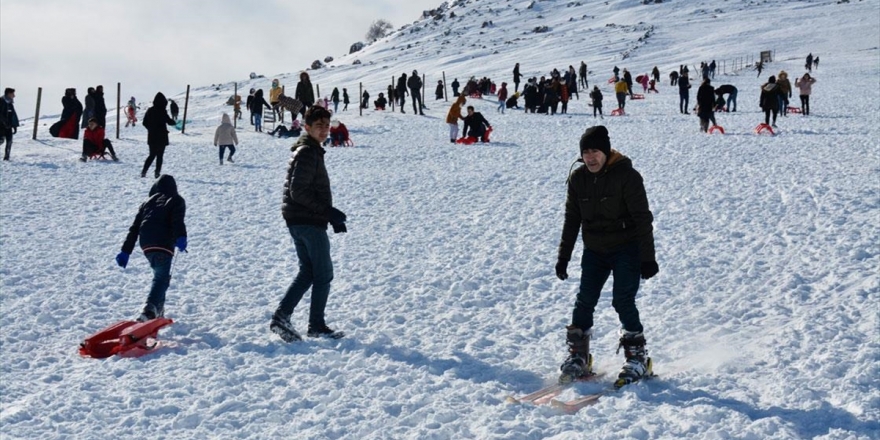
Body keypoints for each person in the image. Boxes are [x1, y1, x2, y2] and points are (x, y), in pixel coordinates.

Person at [555, 125, 658, 385]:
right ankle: (579, 356)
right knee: (584, 300)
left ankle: (638, 358)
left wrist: (648, 258)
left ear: (606, 151)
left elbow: (643, 219)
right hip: (595, 250)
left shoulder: (627, 176)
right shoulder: (578, 179)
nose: (590, 157)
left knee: (622, 300)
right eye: (586, 152)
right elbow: (572, 219)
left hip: (627, 248)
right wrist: (563, 257)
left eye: (596, 151)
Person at [271, 105, 347, 342]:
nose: (324, 131)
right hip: (306, 220)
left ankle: (282, 317)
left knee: (308, 271)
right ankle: (314, 325)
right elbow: (298, 191)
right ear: (307, 127)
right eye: (318, 126)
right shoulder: (307, 152)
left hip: (301, 219)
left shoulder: (309, 150)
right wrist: (327, 211)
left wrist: (329, 218)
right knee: (323, 273)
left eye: (326, 126)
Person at [116, 174, 188, 322]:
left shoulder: (146, 203)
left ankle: (158, 310)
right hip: (163, 243)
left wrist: (125, 251)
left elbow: (134, 228)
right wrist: (181, 237)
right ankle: (150, 309)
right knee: (161, 278)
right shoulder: (176, 199)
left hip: (146, 243)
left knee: (160, 276)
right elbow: (177, 220)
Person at [141, 92, 177, 178]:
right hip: (162, 137)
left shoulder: (150, 110)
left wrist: (151, 129)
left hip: (152, 137)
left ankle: (144, 171)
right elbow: (169, 122)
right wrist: (175, 122)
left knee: (152, 155)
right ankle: (157, 173)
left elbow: (144, 123)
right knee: (160, 155)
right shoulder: (162, 111)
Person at [0, 88, 19, 161]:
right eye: (13, 94)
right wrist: (4, 122)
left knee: (9, 140)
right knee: (1, 140)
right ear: (8, 93)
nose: (14, 96)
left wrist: (14, 125)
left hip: (8, 126)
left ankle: (6, 157)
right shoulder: (1, 101)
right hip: (1, 126)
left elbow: (13, 115)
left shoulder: (10, 103)